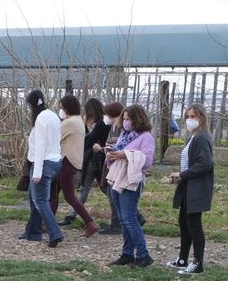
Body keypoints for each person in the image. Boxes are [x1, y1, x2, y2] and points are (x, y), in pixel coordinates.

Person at [165, 103, 215, 275]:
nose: (189, 120)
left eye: (193, 116)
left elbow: (205, 163)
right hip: (187, 187)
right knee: (184, 223)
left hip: (197, 188)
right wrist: (180, 177)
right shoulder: (192, 138)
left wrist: (184, 174)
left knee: (194, 225)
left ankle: (198, 262)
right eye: (187, 116)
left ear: (201, 118)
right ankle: (182, 259)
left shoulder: (202, 138)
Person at [106, 103, 157, 267]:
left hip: (131, 180)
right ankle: (127, 253)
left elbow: (147, 161)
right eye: (124, 118)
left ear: (138, 119)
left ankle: (143, 254)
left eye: (129, 119)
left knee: (129, 218)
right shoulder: (124, 135)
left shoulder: (146, 137)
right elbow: (120, 150)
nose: (126, 122)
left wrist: (125, 154)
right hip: (117, 177)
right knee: (123, 219)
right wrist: (113, 152)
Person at [20, 89, 65, 247]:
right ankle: (33, 232)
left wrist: (37, 172)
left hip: (43, 163)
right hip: (55, 161)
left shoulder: (40, 120)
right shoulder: (52, 115)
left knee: (40, 200)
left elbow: (40, 146)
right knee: (34, 197)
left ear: (31, 105)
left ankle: (55, 232)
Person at [50, 95, 97, 235]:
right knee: (54, 193)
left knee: (69, 196)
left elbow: (54, 138)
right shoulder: (79, 121)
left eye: (61, 107)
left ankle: (90, 222)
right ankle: (48, 222)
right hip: (72, 161)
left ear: (67, 108)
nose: (60, 110)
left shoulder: (68, 123)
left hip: (66, 161)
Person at [81, 97, 110, 225]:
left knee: (99, 186)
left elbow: (88, 141)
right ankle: (72, 214)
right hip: (97, 158)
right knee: (94, 186)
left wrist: (85, 128)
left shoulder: (101, 124)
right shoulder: (103, 123)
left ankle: (132, 214)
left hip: (95, 159)